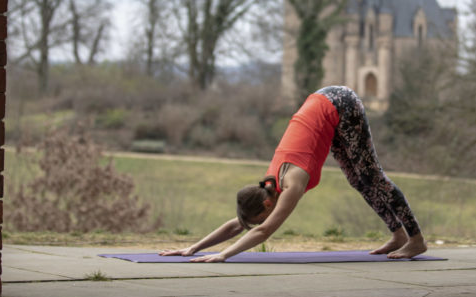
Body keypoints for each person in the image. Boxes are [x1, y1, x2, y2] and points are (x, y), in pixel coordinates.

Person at [160, 85, 427, 262]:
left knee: (374, 178)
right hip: (323, 109)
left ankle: (416, 239)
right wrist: (193, 248)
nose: (264, 217)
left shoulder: (291, 183)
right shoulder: (269, 184)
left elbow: (263, 230)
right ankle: (398, 235)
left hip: (341, 103)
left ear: (267, 203)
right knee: (358, 180)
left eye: (264, 214)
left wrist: (224, 256)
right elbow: (239, 223)